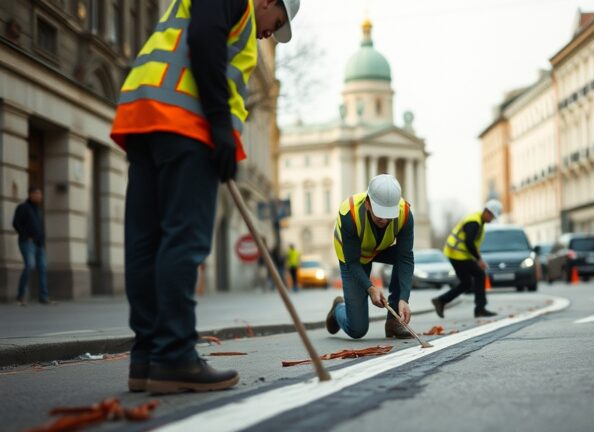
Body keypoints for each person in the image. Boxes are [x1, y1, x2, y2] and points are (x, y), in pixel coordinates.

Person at [110, 0, 300, 394]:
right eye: (276, 22)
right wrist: (218, 125)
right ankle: (175, 355)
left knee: (145, 242)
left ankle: (147, 358)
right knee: (184, 238)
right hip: (185, 124)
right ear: (268, 2)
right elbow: (204, 39)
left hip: (146, 114)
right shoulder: (239, 4)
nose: (270, 34)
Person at [325, 174, 415, 339]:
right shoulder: (349, 213)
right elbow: (352, 263)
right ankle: (338, 308)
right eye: (379, 213)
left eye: (389, 215)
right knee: (357, 330)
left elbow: (405, 258)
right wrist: (370, 287)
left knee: (401, 259)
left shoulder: (406, 214)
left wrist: (404, 298)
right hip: (353, 258)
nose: (384, 220)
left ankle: (393, 323)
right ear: (367, 204)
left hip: (378, 249)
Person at [431, 200, 503, 319]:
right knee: (479, 275)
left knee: (467, 283)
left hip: (458, 254)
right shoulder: (474, 222)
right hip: (457, 254)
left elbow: (473, 244)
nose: (492, 220)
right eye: (492, 216)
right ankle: (480, 308)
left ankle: (441, 301)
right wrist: (479, 260)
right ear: (487, 212)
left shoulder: (479, 221)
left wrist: (477, 258)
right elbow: (469, 242)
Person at [12, 186, 50, 305]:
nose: (39, 196)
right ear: (30, 195)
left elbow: (40, 227)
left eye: (40, 194)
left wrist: (42, 240)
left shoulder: (38, 210)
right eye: (37, 194)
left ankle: (43, 297)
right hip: (27, 242)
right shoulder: (23, 207)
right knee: (29, 265)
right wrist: (26, 235)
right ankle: (20, 297)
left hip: (39, 244)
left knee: (43, 268)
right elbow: (16, 223)